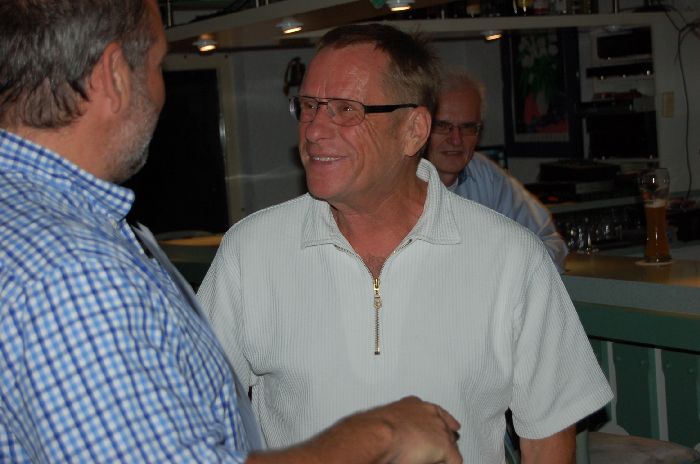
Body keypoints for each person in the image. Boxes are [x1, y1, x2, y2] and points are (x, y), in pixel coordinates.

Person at [0, 2, 463, 463]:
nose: (162, 92)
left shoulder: (27, 224)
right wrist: (383, 433)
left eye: (345, 110)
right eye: (158, 66)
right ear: (115, 75)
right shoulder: (73, 274)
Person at [199, 23, 613, 464]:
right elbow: (193, 414)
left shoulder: (512, 257)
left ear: (414, 130)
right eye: (308, 106)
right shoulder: (250, 252)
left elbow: (548, 439)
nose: (314, 130)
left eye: (345, 109)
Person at [426, 72, 568, 273]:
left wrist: (503, 273)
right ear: (420, 126)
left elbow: (550, 242)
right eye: (442, 126)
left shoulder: (487, 177)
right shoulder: (395, 182)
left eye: (468, 127)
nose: (456, 140)